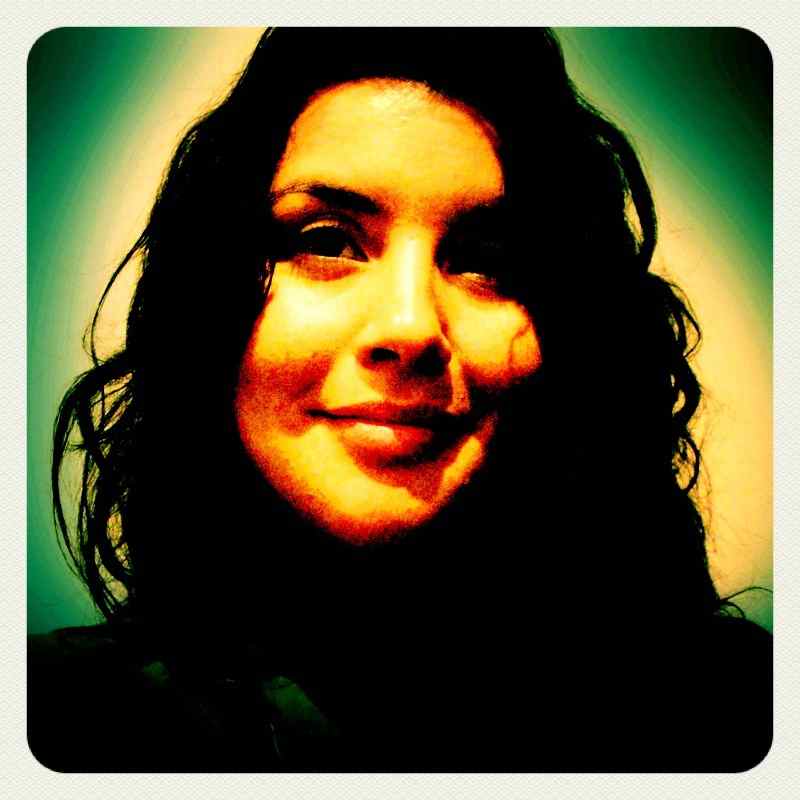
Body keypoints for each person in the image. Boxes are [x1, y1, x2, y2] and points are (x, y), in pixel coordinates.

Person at [29, 28, 771, 771]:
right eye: (327, 241)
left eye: (485, 259)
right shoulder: (53, 719)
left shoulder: (740, 709)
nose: (411, 325)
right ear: (205, 300)